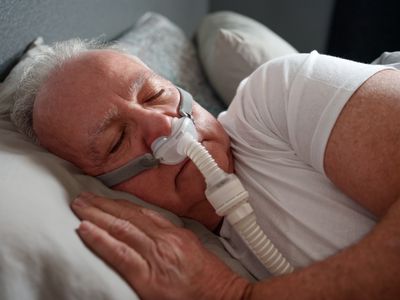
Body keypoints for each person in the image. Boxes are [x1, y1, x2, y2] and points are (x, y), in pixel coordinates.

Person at [9, 39, 400, 299]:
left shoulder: (279, 91)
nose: (163, 125)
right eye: (116, 141)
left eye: (155, 94)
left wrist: (231, 294)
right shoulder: (202, 247)